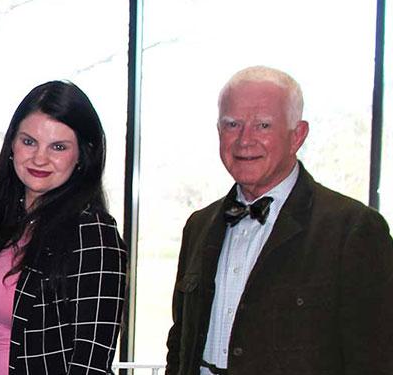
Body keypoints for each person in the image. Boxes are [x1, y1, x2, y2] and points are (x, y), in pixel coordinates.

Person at [166, 66, 393, 375]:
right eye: (232, 124)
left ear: (297, 135)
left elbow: (375, 359)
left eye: (263, 125)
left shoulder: (352, 230)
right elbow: (180, 345)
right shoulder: (199, 226)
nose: (245, 140)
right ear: (219, 132)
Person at [0, 81, 129, 375]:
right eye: (29, 142)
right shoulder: (5, 224)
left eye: (58, 147)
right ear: (12, 144)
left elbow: (91, 363)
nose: (39, 158)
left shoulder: (94, 233)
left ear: (82, 156)